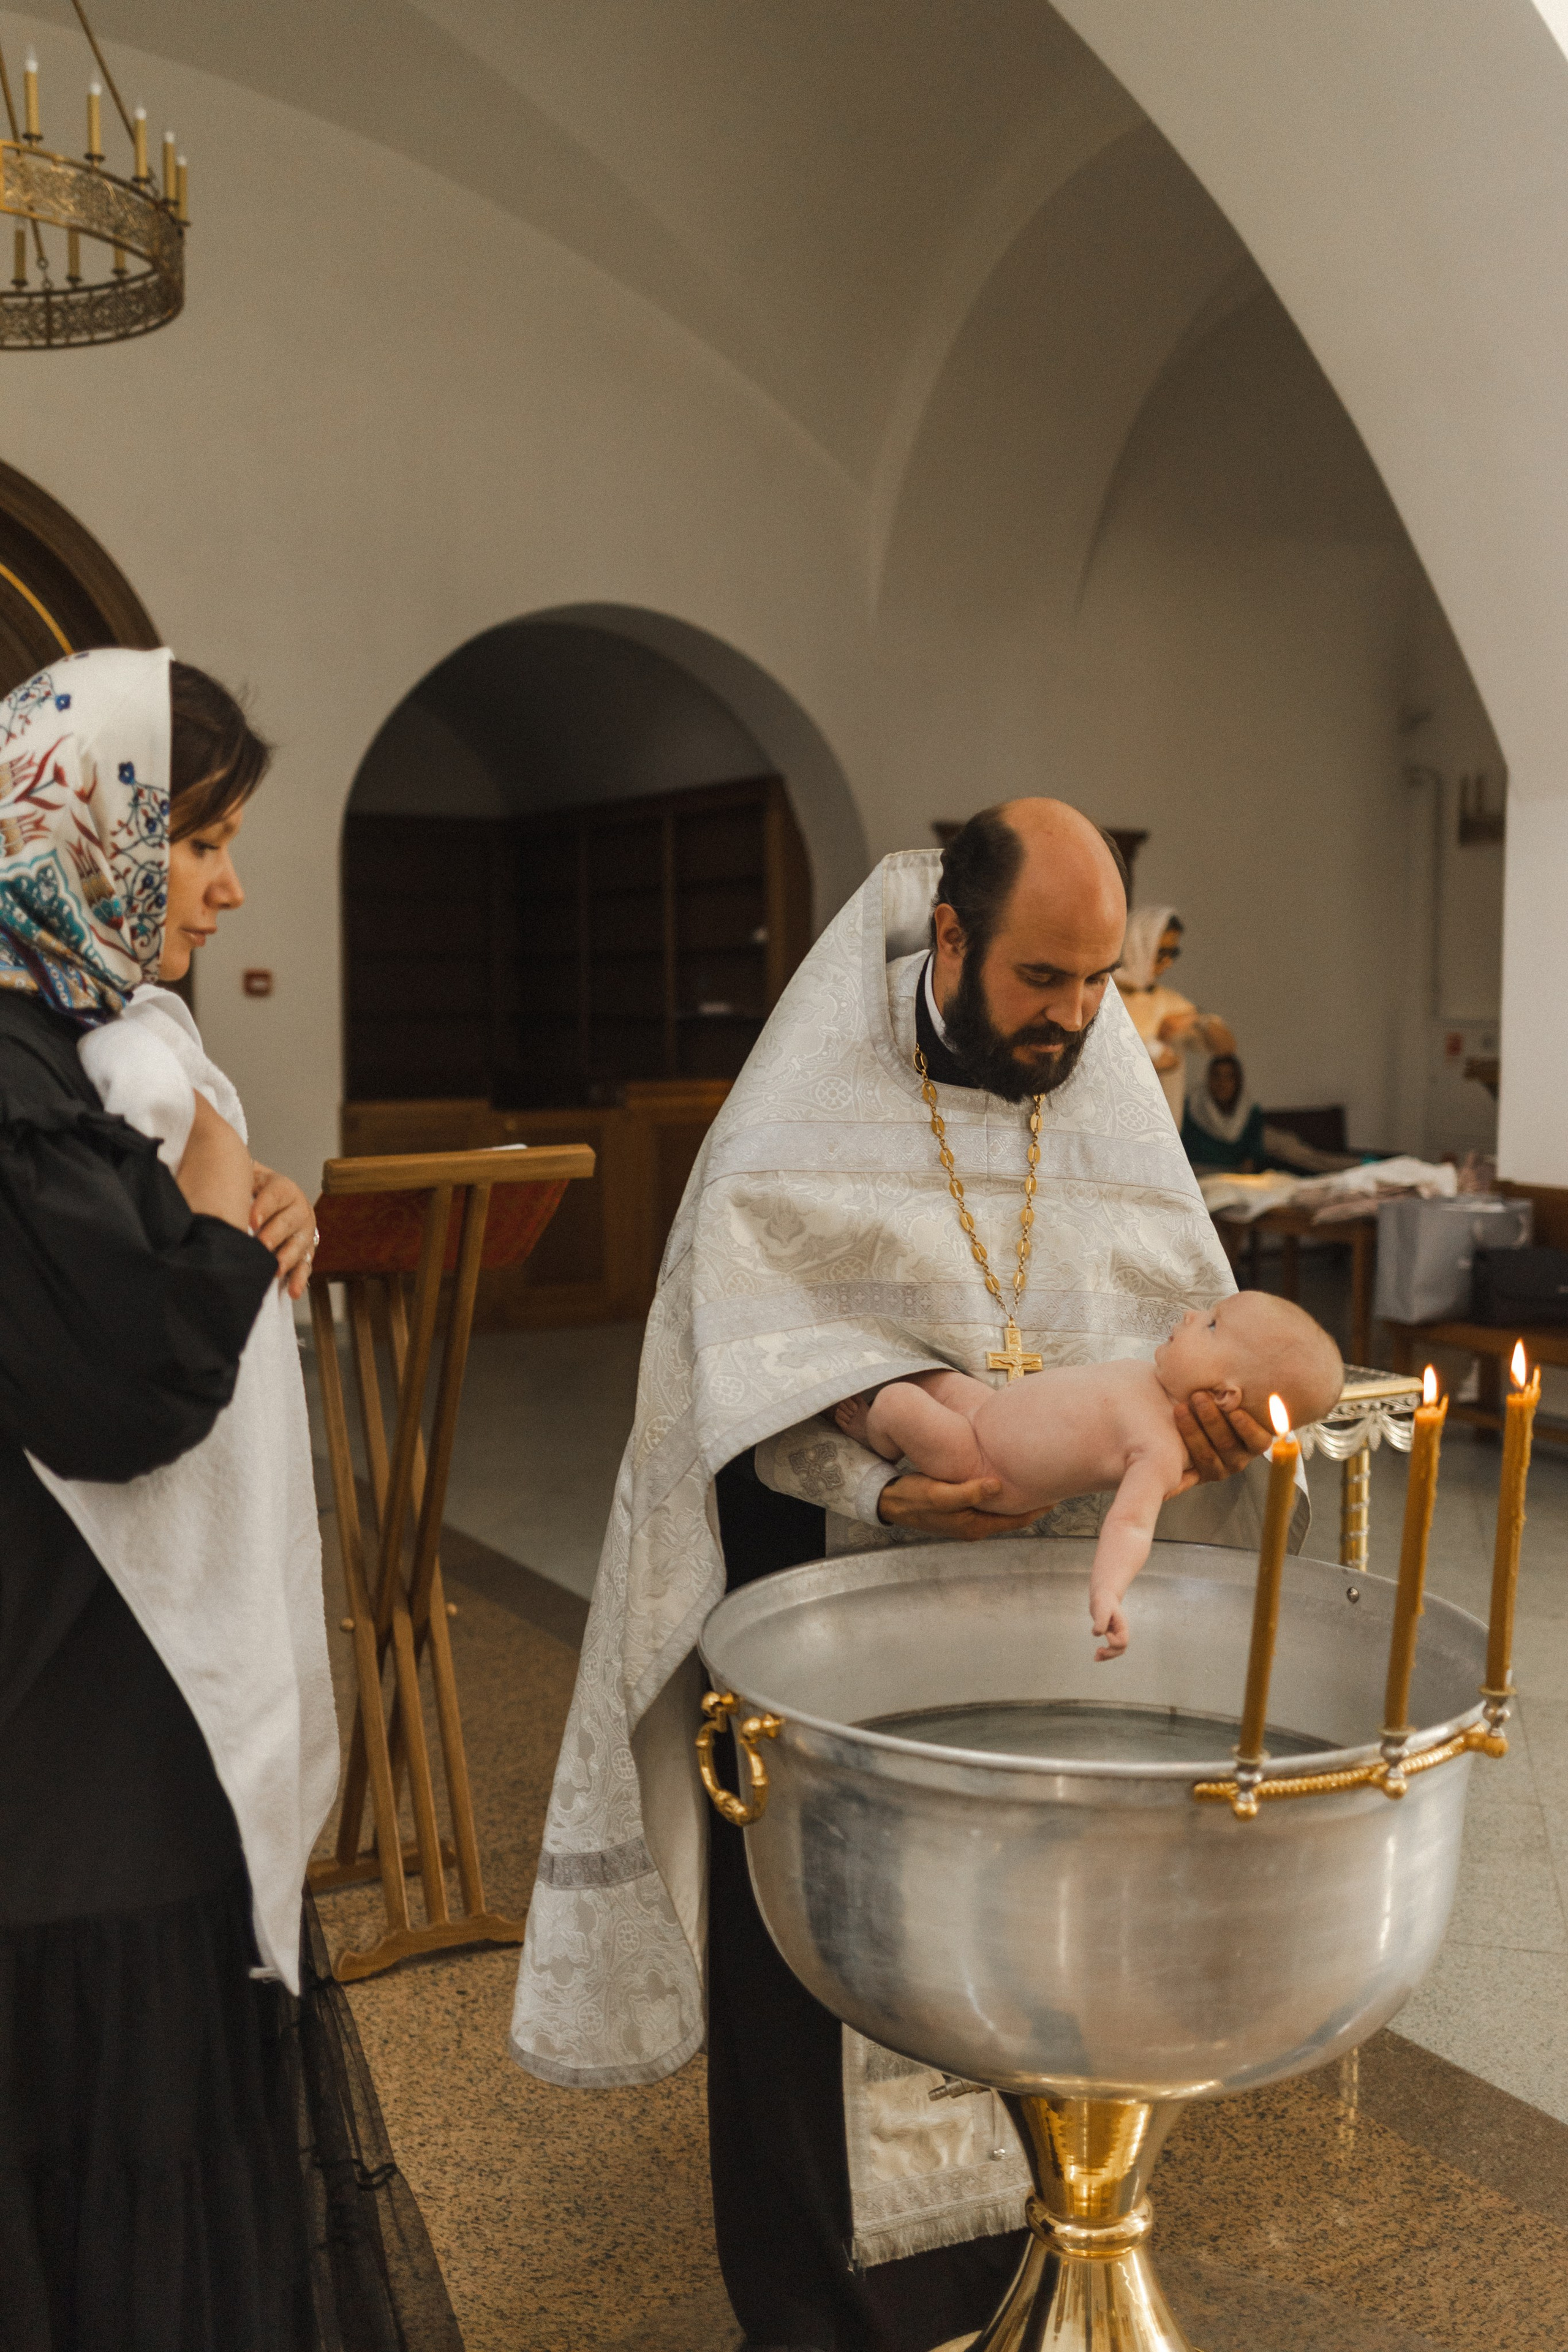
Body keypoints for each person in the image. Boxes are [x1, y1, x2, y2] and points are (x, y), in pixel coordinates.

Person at [513, 799, 1298, 2352]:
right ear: (949, 939)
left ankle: (1019, 2280)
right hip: (826, 1625)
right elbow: (720, 1371)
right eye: (1042, 981)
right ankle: (817, 2312)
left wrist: (1193, 1429)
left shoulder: (1102, 1088)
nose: (1075, 1019)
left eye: (1095, 981)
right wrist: (883, 1444)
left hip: (1020, 1647)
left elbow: (1176, 1313)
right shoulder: (802, 1095)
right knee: (818, 1964)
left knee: (1027, 1960)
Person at [0, 650, 459, 2351]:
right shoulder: (20, 1064)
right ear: (91, 826)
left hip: (115, 1721)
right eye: (199, 838)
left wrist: (221, 1196)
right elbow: (123, 1387)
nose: (229, 883)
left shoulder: (75, 1030)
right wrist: (209, 1187)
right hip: (70, 1760)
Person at [836, 1291, 1341, 1657]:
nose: (1191, 1313)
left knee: (900, 1402)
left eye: (1210, 1325)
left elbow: (1131, 1525)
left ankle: (871, 1435)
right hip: (986, 1411)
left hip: (983, 1464)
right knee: (931, 1377)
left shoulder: (1161, 1450)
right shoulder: (1153, 1380)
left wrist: (1108, 1593)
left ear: (1227, 1395)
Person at [1114, 903, 1235, 1123]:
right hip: (1116, 1118)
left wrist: (1198, 1020)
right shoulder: (1104, 995)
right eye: (1162, 953)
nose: (1168, 963)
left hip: (1162, 1126)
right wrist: (1154, 1056)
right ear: (1138, 945)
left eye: (1174, 953)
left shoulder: (1169, 1001)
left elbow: (1225, 1047)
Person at [1183, 1052, 1364, 1177]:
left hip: (1248, 1160)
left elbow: (1255, 1144)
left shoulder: (1247, 1110)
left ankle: (1361, 1164)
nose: (1222, 1083)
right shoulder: (1193, 1109)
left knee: (1290, 1148)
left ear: (1237, 1081)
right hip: (1211, 1168)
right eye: (1217, 1076)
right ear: (1208, 1078)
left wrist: (1250, 1159)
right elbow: (1191, 1150)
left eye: (1229, 1077)